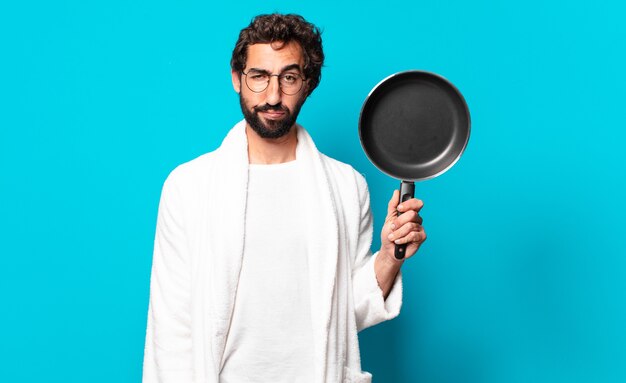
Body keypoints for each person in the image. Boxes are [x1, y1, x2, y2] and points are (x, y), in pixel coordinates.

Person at [142, 13, 426, 383]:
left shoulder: (345, 186)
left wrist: (389, 256)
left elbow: (346, 314)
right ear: (236, 80)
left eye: (289, 78)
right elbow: (171, 326)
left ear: (308, 84)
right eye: (259, 76)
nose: (273, 96)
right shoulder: (189, 186)